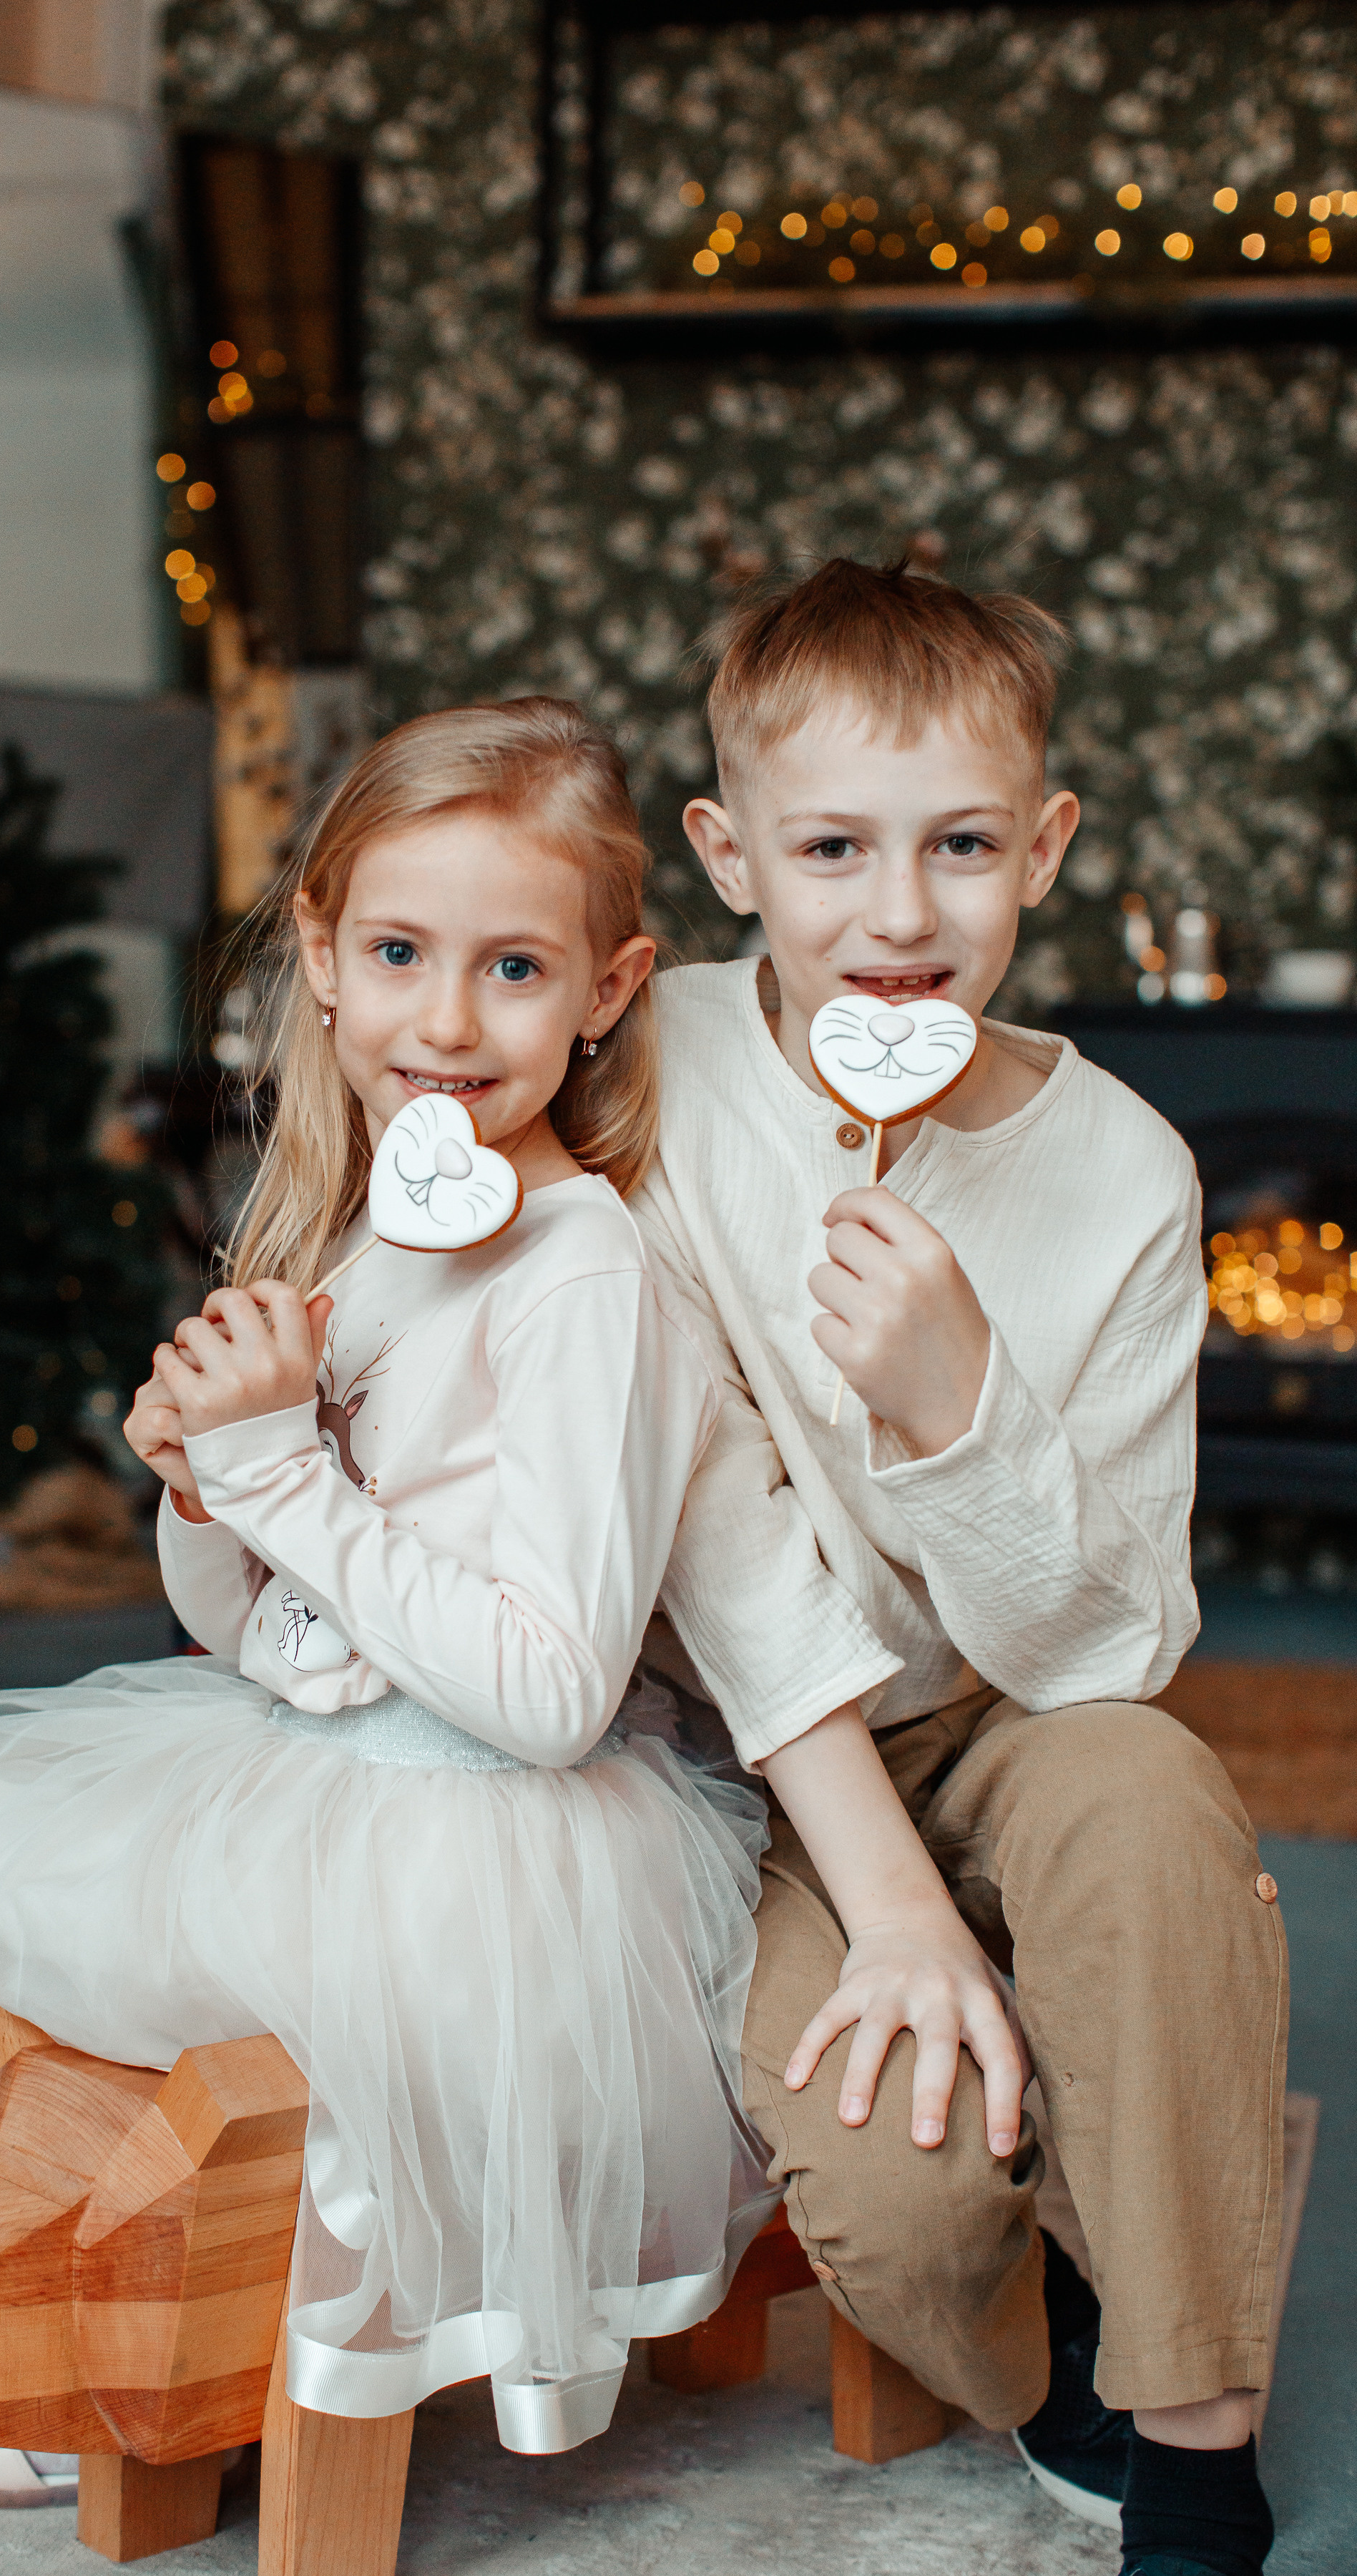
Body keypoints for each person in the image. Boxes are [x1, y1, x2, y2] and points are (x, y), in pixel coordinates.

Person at [0, 697, 776, 2507]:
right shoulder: (356, 1238)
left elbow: (553, 1686)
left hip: (483, 1836)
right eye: (401, 954)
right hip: (298, 1755)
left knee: (242, 2028)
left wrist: (283, 1478)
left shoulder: (584, 1276)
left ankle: (217, 2334)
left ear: (607, 989)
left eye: (513, 966)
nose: (445, 1019)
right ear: (325, 966)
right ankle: (130, 2280)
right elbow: (241, 1622)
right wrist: (202, 1489)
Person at [633, 560, 1283, 2576]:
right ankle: (1075, 2275)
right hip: (759, 1763)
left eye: (962, 848)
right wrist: (899, 1909)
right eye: (833, 848)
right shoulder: (641, 1077)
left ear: (1046, 849)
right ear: (731, 856)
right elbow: (706, 1542)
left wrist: (959, 1406)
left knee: (1151, 1797)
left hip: (1006, 1709)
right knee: (904, 2210)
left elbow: (1114, 1648)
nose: (900, 918)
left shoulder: (1125, 1175)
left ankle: (1194, 2424)